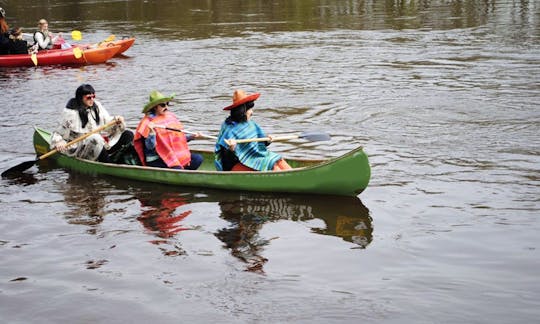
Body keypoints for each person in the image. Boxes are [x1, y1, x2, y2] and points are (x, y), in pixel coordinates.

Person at [51, 84, 134, 163]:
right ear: (81, 98)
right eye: (89, 97)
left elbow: (107, 123)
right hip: (79, 148)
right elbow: (59, 133)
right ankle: (109, 163)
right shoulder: (71, 112)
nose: (92, 100)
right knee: (95, 138)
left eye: (93, 96)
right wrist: (59, 142)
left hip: (100, 144)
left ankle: (119, 158)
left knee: (128, 134)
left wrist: (116, 120)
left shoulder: (96, 106)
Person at [214, 89, 292, 171]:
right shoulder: (229, 128)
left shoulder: (251, 124)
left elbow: (257, 144)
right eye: (250, 109)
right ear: (242, 111)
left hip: (253, 158)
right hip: (234, 165)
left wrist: (267, 140)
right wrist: (231, 149)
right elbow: (226, 161)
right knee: (272, 166)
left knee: (278, 160)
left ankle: (293, 176)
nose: (252, 112)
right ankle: (284, 179)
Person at [133, 90, 204, 170]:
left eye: (167, 104)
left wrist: (192, 136)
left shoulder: (170, 117)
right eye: (163, 105)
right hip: (156, 158)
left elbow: (178, 138)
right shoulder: (147, 122)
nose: (166, 107)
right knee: (177, 168)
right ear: (155, 107)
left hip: (172, 154)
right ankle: (180, 173)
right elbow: (150, 147)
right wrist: (151, 132)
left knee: (198, 158)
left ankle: (181, 172)